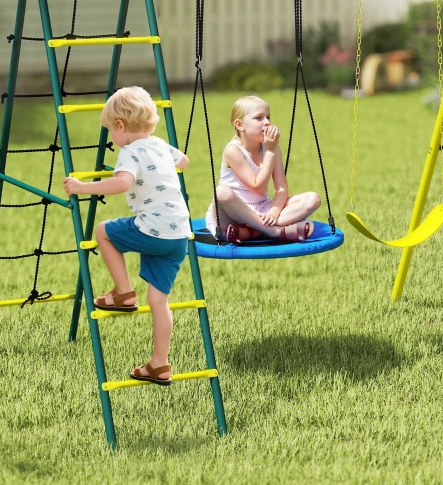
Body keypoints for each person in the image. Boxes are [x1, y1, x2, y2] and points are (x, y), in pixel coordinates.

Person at [63, 87, 190, 387]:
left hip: (152, 229)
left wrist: (82, 188)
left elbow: (122, 184)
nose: (111, 137)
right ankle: (159, 364)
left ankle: (123, 292)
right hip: (179, 235)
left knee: (103, 232)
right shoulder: (158, 145)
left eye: (110, 131)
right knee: (159, 300)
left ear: (120, 126)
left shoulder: (130, 151)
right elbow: (183, 161)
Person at [205, 95, 320, 244]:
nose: (267, 122)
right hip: (231, 214)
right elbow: (257, 188)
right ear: (240, 125)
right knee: (221, 192)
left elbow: (281, 188)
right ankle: (272, 231)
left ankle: (253, 231)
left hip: (262, 210)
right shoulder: (233, 150)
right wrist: (271, 152)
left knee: (313, 199)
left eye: (268, 117)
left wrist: (273, 212)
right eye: (259, 118)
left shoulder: (272, 148)